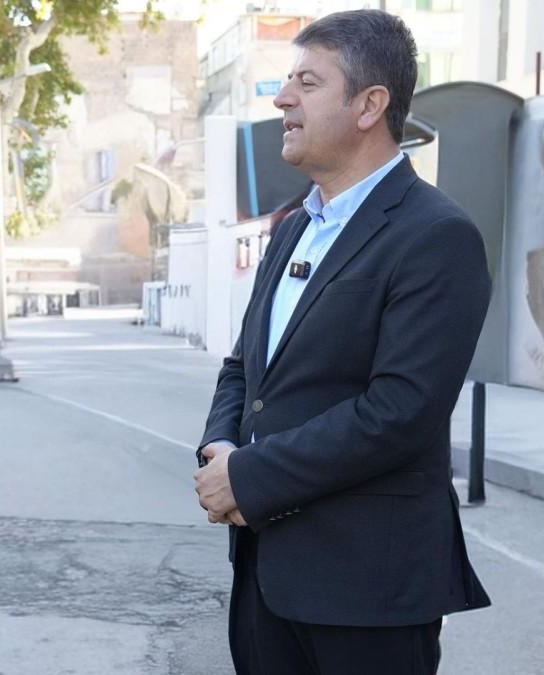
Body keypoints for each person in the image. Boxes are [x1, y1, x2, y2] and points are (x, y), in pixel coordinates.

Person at [192, 11, 491, 674]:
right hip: (266, 576)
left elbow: (400, 412)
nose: (282, 100)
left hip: (368, 593)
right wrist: (221, 448)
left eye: (307, 83)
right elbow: (245, 368)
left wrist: (249, 476)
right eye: (286, 82)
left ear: (369, 105)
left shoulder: (436, 236)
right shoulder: (293, 228)